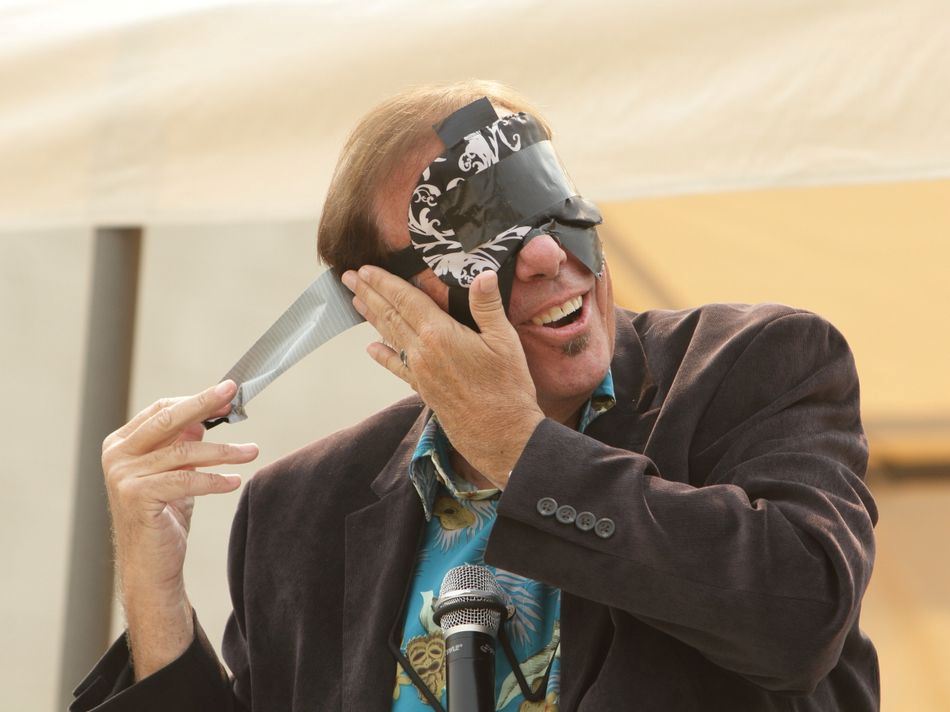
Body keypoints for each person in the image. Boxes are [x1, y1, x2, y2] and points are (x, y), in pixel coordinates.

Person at [71, 80, 879, 711]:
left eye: (551, 206)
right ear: (392, 305)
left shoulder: (754, 367)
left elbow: (799, 618)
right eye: (474, 240)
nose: (543, 260)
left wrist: (519, 451)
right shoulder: (303, 510)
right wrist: (156, 593)